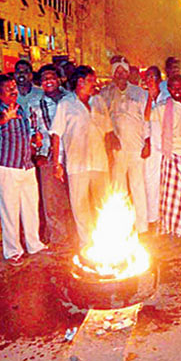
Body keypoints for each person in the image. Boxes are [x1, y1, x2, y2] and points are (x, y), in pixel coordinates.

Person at [51, 66, 117, 249]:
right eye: (91, 80)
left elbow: (108, 132)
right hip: (76, 163)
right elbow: (56, 135)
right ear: (80, 82)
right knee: (80, 206)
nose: (94, 84)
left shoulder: (99, 102)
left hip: (99, 162)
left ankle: (106, 239)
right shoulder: (66, 104)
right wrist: (57, 164)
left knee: (102, 203)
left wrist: (110, 157)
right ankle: (87, 243)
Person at [0, 74, 47, 265]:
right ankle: (12, 250)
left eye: (14, 87)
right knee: (9, 210)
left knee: (30, 206)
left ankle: (33, 243)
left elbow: (25, 134)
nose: (13, 91)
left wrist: (34, 139)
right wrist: (6, 117)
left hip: (26, 165)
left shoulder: (21, 110)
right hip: (6, 167)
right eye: (8, 88)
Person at [29, 64, 75, 249]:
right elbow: (33, 131)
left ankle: (79, 236)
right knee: (51, 200)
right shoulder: (35, 105)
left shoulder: (72, 99)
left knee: (75, 197)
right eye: (44, 78)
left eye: (52, 77)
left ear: (59, 79)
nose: (48, 81)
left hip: (73, 153)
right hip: (48, 155)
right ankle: (59, 238)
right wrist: (37, 148)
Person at [105, 57, 151, 234]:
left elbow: (146, 120)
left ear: (128, 73)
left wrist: (147, 141)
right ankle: (121, 227)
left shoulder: (140, 93)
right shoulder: (106, 93)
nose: (120, 74)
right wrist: (110, 136)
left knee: (138, 186)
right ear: (113, 74)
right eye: (117, 71)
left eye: (123, 71)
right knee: (119, 188)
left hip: (136, 146)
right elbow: (103, 118)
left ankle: (142, 227)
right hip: (117, 150)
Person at [149, 75, 181, 237]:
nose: (177, 91)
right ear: (168, 89)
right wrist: (151, 94)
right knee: (169, 196)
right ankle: (169, 228)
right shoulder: (163, 107)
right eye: (173, 87)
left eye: (180, 87)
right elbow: (147, 116)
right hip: (171, 156)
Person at [142, 66, 168, 230]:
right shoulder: (145, 97)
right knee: (150, 182)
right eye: (148, 77)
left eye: (153, 77)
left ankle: (165, 218)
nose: (150, 80)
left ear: (159, 80)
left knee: (165, 183)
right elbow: (146, 118)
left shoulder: (167, 97)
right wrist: (150, 98)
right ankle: (153, 218)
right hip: (152, 146)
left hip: (166, 146)